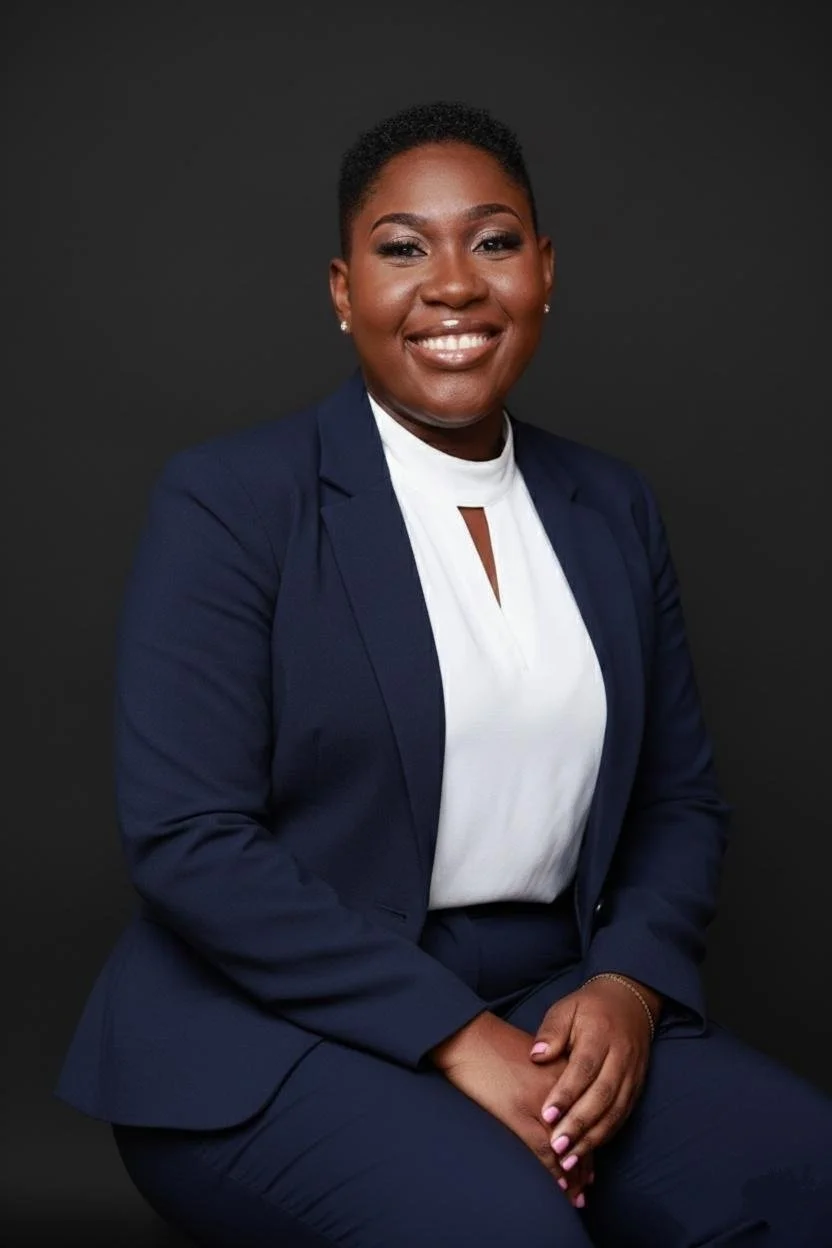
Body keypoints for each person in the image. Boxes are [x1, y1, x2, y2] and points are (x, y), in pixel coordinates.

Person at [56, 101, 832, 1248]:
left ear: (545, 269)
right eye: (403, 249)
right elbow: (189, 840)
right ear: (343, 290)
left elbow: (678, 800)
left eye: (494, 241)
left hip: (551, 993)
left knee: (805, 1179)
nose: (455, 285)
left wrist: (628, 983)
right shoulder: (233, 501)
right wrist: (456, 1036)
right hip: (269, 1026)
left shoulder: (610, 507)